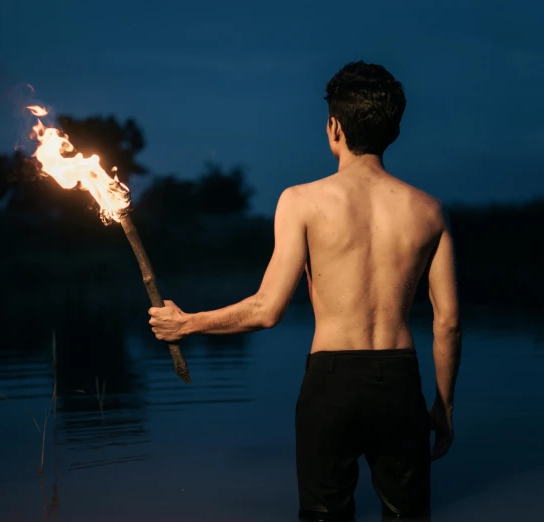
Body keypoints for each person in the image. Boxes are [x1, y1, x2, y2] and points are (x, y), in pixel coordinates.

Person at [147, 61, 462, 521]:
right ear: (392, 130)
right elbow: (448, 323)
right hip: (399, 381)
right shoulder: (430, 211)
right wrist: (444, 408)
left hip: (331, 380)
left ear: (334, 127)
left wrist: (187, 323)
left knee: (324, 514)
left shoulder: (301, 201)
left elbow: (267, 309)